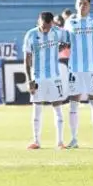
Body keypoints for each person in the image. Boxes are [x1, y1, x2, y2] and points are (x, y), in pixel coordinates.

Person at [63, 0, 93, 148]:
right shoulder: (69, 22)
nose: (82, 6)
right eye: (80, 3)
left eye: (85, 4)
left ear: (89, 6)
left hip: (92, 68)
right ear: (76, 5)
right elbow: (65, 40)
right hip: (75, 68)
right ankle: (74, 139)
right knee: (73, 104)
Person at [24, 11, 69, 150]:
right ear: (39, 22)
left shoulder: (58, 32)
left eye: (48, 27)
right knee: (37, 108)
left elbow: (70, 39)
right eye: (43, 26)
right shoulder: (31, 35)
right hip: (37, 77)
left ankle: (60, 142)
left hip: (54, 77)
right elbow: (27, 59)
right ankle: (36, 141)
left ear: (52, 24)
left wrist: (63, 46)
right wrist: (29, 79)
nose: (45, 29)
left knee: (58, 108)